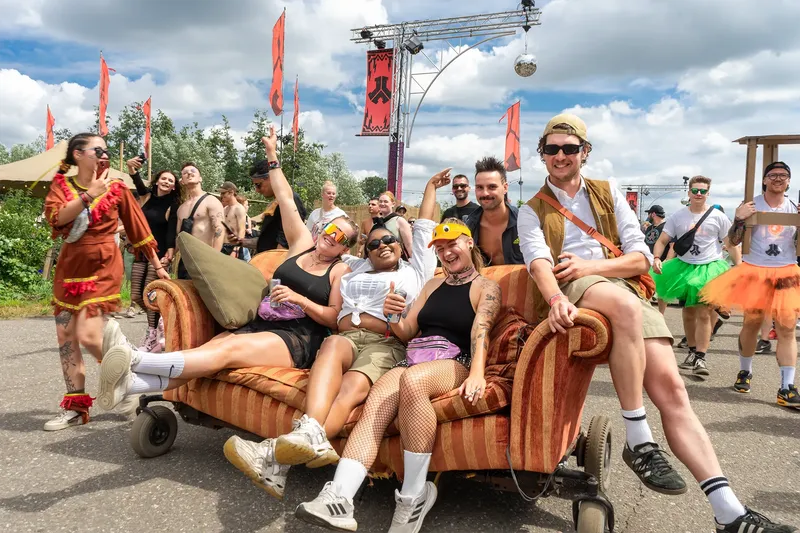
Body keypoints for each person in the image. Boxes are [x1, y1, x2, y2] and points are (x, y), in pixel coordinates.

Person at [517, 113, 794, 533]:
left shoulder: (608, 191)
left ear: (584, 152)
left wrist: (592, 265)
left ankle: (729, 512)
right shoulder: (531, 209)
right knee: (627, 309)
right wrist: (555, 296)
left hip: (614, 281)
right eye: (551, 149)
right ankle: (638, 436)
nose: (560, 156)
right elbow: (539, 262)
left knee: (673, 389)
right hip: (570, 286)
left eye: (569, 148)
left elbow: (642, 257)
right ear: (542, 153)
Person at [96, 125, 356, 414]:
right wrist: (272, 155)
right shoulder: (302, 245)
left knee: (227, 351)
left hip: (298, 335)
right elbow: (285, 198)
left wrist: (300, 299)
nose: (332, 237)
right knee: (210, 351)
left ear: (345, 248)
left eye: (341, 238)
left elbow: (334, 318)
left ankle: (133, 358)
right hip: (262, 322)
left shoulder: (339, 270)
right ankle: (129, 385)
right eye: (331, 229)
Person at [222, 169, 444, 503]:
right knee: (332, 343)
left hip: (386, 341)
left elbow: (424, 226)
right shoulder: (355, 267)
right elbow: (327, 241)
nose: (382, 246)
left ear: (401, 246)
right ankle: (309, 432)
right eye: (373, 244)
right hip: (346, 337)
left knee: (351, 388)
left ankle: (276, 461)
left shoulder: (416, 271)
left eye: (389, 241)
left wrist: (429, 188)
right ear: (365, 252)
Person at [294, 216, 501, 531]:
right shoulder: (432, 284)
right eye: (440, 248)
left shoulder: (486, 287)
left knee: (412, 380)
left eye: (452, 244)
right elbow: (407, 331)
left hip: (455, 359)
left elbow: (481, 329)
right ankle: (339, 497)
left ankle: (413, 495)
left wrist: (477, 373)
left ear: (469, 243)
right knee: (376, 404)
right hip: (415, 356)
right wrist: (392, 316)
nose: (446, 253)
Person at [42, 133, 169, 431]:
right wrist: (89, 195)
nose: (104, 154)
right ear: (78, 154)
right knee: (66, 338)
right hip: (69, 267)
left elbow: (139, 230)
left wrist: (157, 267)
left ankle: (128, 377)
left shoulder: (117, 188)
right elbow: (57, 219)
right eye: (97, 150)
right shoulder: (61, 186)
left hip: (103, 266)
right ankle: (76, 408)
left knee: (88, 334)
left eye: (105, 150)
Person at [701, 161, 800, 408]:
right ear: (764, 180)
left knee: (787, 329)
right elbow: (733, 241)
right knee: (752, 324)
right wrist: (738, 218)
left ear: (789, 181)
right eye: (773, 175)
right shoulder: (751, 205)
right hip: (755, 271)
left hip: (787, 271)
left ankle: (787, 387)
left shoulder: (794, 208)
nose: (778, 179)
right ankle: (745, 371)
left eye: (784, 175)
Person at [652, 176, 740, 377]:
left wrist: (740, 267)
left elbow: (731, 244)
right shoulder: (677, 216)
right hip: (684, 268)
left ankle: (701, 356)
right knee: (689, 312)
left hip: (710, 268)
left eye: (703, 191)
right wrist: (657, 258)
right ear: (689, 192)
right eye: (695, 190)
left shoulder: (718, 216)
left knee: (703, 312)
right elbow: (662, 240)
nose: (698, 194)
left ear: (708, 193)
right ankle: (692, 351)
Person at [125, 158, 181, 352]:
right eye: (164, 178)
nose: (166, 182)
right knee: (136, 295)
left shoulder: (173, 205)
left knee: (150, 295)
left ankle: (152, 336)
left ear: (174, 187)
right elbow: (136, 178)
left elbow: (171, 231)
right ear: (157, 181)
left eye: (171, 180)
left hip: (159, 253)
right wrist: (131, 166)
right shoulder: (146, 197)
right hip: (141, 251)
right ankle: (162, 322)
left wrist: (169, 254)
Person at [463, 157, 524, 265]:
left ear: (505, 188)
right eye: (479, 187)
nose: (485, 193)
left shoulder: (525, 223)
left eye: (492, 187)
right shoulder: (469, 227)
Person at [240, 160, 307, 253]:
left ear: (272, 177)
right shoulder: (276, 202)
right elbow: (268, 243)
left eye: (258, 185)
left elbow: (283, 246)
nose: (257, 190)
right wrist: (241, 242)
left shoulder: (291, 202)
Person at [175, 162, 225, 279]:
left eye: (193, 171)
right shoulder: (181, 208)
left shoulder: (211, 201)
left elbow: (219, 230)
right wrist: (168, 256)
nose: (189, 173)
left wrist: (215, 258)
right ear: (182, 181)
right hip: (186, 261)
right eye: (185, 173)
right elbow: (178, 237)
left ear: (200, 178)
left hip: (205, 258)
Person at [643, 205, 674, 315]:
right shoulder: (649, 228)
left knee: (662, 291)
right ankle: (646, 313)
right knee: (645, 288)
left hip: (661, 263)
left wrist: (667, 261)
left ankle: (661, 314)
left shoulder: (667, 228)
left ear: (653, 214)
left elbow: (672, 246)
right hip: (648, 262)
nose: (648, 216)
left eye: (649, 214)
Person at [376, 191, 413, 259]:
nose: (382, 204)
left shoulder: (399, 221)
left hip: (397, 260)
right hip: (380, 260)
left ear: (393, 204)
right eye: (380, 201)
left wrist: (414, 261)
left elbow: (409, 245)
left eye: (386, 201)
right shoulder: (377, 223)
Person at [218, 181, 247, 260]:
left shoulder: (239, 208)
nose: (221, 195)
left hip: (234, 247)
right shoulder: (225, 209)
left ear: (231, 192)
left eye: (223, 193)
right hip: (223, 246)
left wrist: (235, 250)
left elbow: (242, 230)